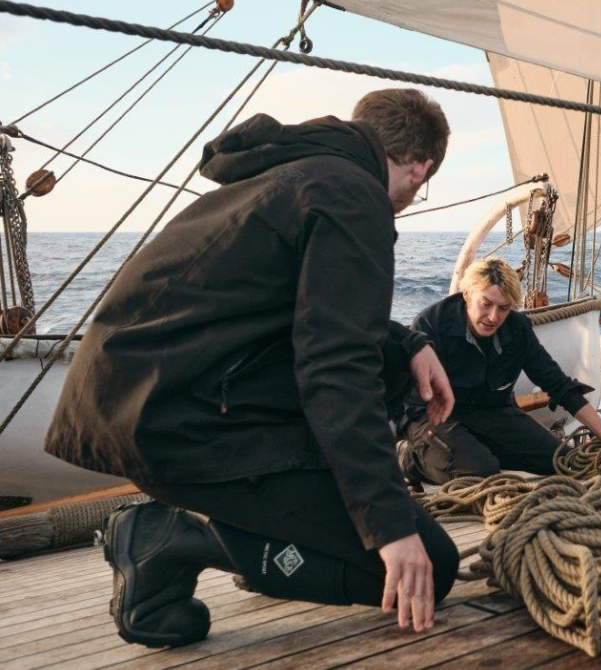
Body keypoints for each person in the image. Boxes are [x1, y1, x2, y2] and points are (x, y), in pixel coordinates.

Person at [44, 89, 459, 647]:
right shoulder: (355, 197)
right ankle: (171, 539)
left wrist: (405, 342)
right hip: (181, 421)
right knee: (428, 564)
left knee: (382, 362)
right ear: (420, 167)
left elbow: (293, 304)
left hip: (139, 397)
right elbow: (336, 366)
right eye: (421, 185)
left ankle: (254, 537)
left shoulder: (297, 171)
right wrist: (390, 526)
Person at [399, 258, 601, 485]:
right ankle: (409, 459)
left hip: (491, 413)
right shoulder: (432, 324)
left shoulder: (518, 328)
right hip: (432, 417)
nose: (493, 317)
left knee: (565, 461)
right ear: (467, 294)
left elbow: (559, 385)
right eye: (486, 304)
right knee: (480, 474)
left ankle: (473, 451)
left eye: (503, 308)